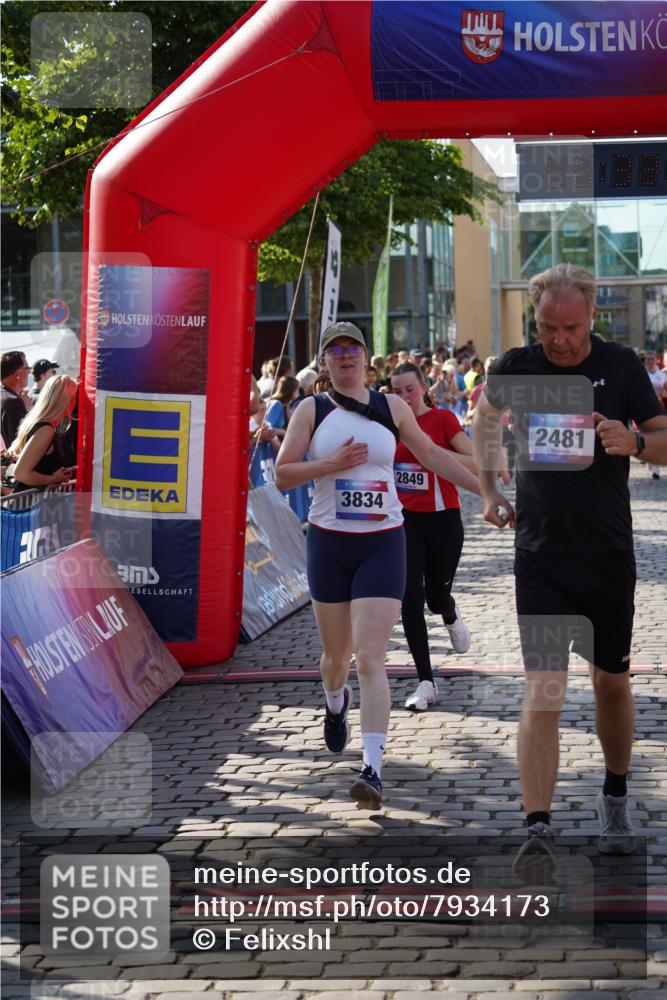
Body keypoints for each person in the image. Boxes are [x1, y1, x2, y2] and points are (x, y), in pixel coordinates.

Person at [473, 263, 667, 861]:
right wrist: (487, 488)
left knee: (610, 682)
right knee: (544, 689)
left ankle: (614, 797)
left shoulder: (619, 366)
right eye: (549, 327)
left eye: (572, 328)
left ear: (592, 318)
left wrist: (634, 443)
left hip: (607, 554)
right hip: (541, 555)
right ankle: (537, 825)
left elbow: (663, 437)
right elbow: (483, 419)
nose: (560, 340)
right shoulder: (513, 367)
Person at [274, 322, 499, 809]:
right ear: (326, 362)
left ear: (366, 358)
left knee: (370, 657)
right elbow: (283, 472)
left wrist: (486, 491)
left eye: (353, 348)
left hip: (382, 541)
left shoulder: (392, 407)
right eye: (335, 350)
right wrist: (330, 465)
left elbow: (434, 455)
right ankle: (336, 703)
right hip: (330, 543)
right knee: (336, 660)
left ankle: (372, 769)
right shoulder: (310, 411)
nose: (345, 357)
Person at [390, 362, 475, 711]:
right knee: (410, 595)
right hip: (405, 521)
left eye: (409, 389)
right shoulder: (388, 425)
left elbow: (472, 462)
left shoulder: (442, 420)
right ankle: (425, 681)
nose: (404, 397)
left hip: (444, 520)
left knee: (435, 598)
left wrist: (433, 452)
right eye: (396, 391)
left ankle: (449, 613)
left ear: (423, 387)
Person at [9, 375, 78, 492]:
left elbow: (11, 458)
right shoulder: (46, 430)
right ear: (67, 401)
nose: (76, 402)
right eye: (75, 398)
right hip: (31, 505)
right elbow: (21, 473)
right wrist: (53, 479)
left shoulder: (37, 422)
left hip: (27, 504)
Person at [643, 351, 667, 479]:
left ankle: (656, 467)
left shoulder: (661, 374)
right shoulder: (641, 374)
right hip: (645, 407)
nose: (650, 361)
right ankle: (653, 464)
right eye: (648, 359)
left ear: (656, 360)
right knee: (649, 434)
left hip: (661, 406)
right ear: (645, 361)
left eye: (652, 359)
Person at [1, 351, 32, 449]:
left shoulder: (4, 397)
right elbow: (20, 444)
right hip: (15, 462)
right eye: (27, 368)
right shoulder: (14, 402)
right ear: (17, 373)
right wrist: (30, 408)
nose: (29, 372)